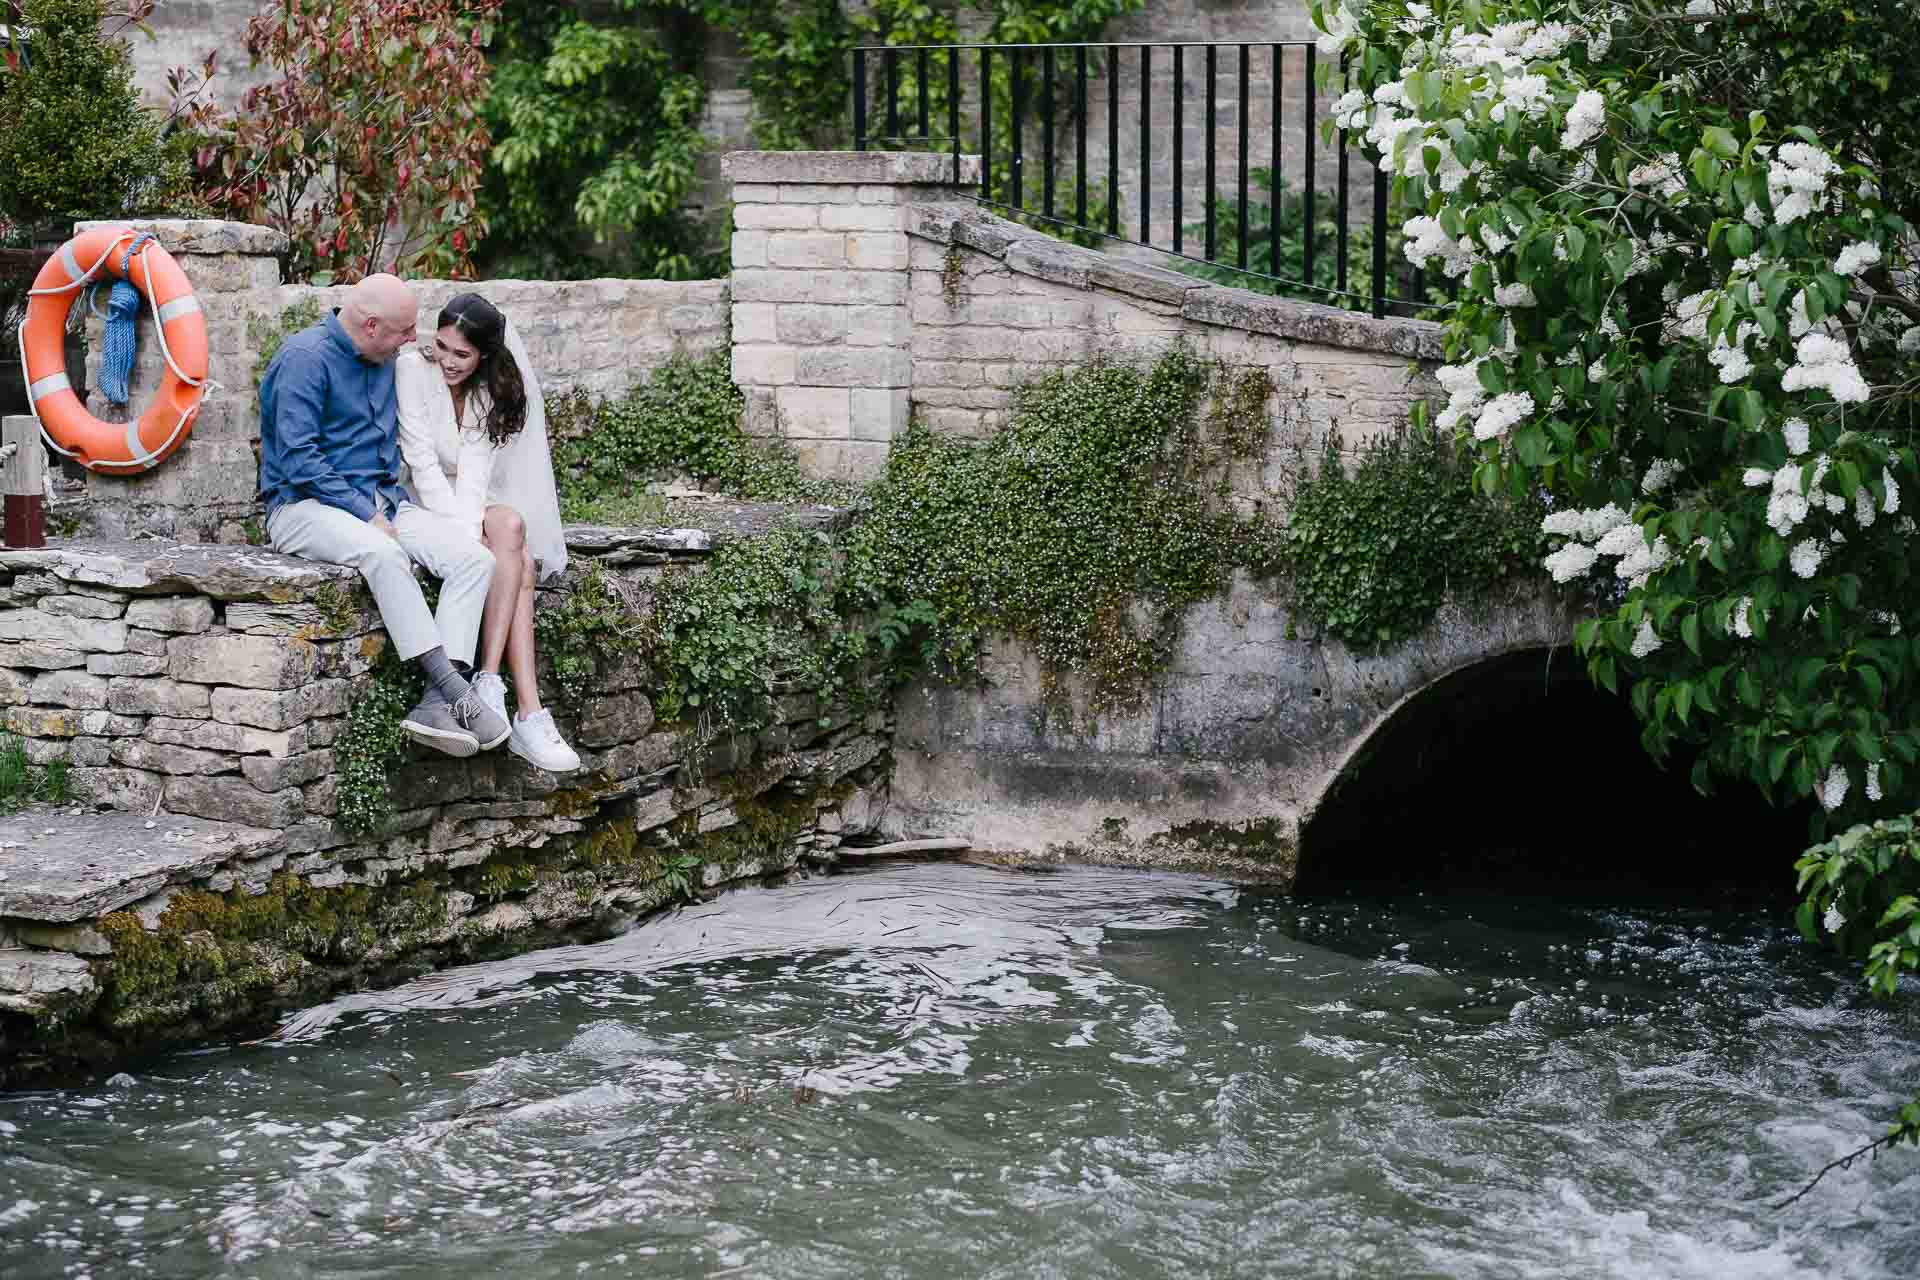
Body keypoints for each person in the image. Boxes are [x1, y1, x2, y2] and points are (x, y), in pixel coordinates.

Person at [258, 274, 511, 759]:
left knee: (474, 561)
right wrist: (363, 513)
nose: (413, 341)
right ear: (371, 326)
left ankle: (435, 705)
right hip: (303, 507)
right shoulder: (304, 360)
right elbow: (298, 458)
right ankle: (455, 690)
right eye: (404, 331)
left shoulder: (386, 358)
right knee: (383, 551)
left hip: (384, 501)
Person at [393, 292, 581, 773]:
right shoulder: (413, 371)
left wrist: (474, 525)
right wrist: (463, 536)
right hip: (414, 498)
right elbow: (420, 460)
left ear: (482, 356)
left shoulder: (483, 391)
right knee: (514, 563)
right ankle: (527, 709)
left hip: (465, 501)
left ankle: (491, 683)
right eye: (442, 347)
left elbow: (474, 472)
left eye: (462, 354)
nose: (449, 362)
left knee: (511, 529)